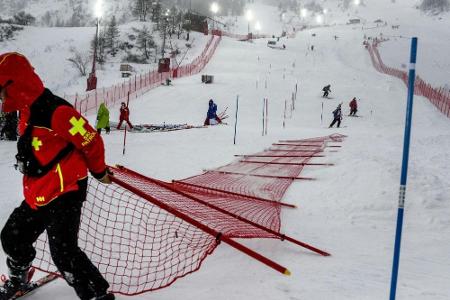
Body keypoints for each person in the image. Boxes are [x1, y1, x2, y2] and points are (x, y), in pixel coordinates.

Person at [0, 52, 114, 300]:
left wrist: (99, 171)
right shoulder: (26, 108)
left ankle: (97, 295)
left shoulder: (57, 112)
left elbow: (90, 140)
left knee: (64, 253)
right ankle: (18, 279)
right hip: (40, 191)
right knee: (12, 236)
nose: (0, 97)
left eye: (1, 91)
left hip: (65, 190)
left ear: (14, 84)